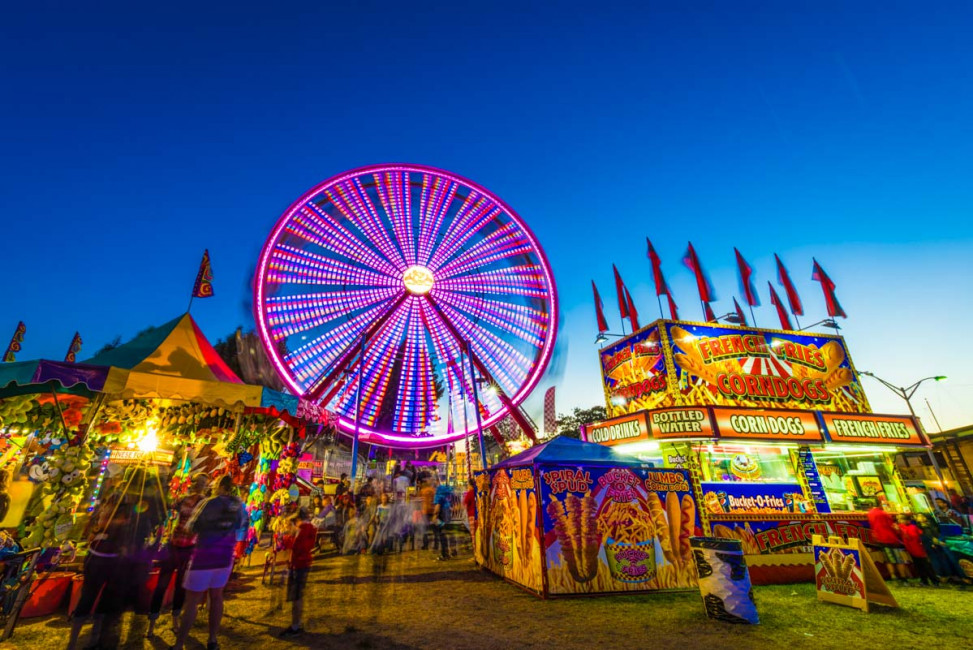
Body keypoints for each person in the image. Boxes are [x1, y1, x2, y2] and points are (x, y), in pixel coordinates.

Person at [68, 467, 166, 650]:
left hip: (105, 555)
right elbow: (150, 526)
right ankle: (90, 640)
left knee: (93, 598)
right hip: (113, 556)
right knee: (102, 600)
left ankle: (82, 641)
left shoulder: (121, 498)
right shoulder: (130, 501)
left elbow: (99, 521)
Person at [171, 474, 248, 650]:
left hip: (203, 557)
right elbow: (241, 525)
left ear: (218, 486)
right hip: (225, 557)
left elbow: (192, 526)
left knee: (192, 601)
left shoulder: (209, 503)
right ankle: (212, 639)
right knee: (217, 597)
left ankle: (179, 644)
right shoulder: (238, 506)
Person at [148, 473, 210, 638]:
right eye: (199, 482)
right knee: (163, 585)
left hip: (188, 547)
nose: (200, 485)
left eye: (203, 483)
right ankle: (152, 623)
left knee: (180, 587)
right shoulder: (188, 500)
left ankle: (173, 621)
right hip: (174, 545)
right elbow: (168, 507)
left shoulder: (204, 503)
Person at [280, 508, 316, 638]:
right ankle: (296, 623)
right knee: (298, 595)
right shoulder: (310, 528)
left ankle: (295, 626)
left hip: (298, 564)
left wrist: (286, 537)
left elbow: (296, 546)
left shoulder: (301, 529)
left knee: (296, 596)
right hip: (304, 562)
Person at [867, 498, 911, 581]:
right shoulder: (883, 514)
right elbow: (892, 526)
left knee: (888, 558)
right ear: (880, 504)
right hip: (890, 538)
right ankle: (903, 577)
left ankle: (893, 575)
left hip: (879, 537)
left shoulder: (870, 513)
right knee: (898, 558)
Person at [897, 514, 937, 586]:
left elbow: (913, 538)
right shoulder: (902, 527)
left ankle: (934, 581)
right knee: (918, 566)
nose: (899, 521)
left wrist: (903, 532)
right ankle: (924, 581)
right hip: (911, 550)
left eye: (901, 519)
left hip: (918, 550)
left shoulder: (912, 527)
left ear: (908, 520)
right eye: (898, 519)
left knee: (925, 565)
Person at [432, 478, 454, 560]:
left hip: (441, 515)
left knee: (442, 535)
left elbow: (437, 507)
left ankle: (444, 554)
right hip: (447, 515)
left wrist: (434, 516)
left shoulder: (438, 494)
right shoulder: (445, 493)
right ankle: (448, 552)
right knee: (445, 534)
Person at [419, 477, 437, 551]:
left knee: (425, 528)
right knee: (435, 529)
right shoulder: (434, 490)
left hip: (425, 511)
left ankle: (425, 545)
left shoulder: (422, 491)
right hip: (433, 510)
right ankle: (436, 545)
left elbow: (419, 499)